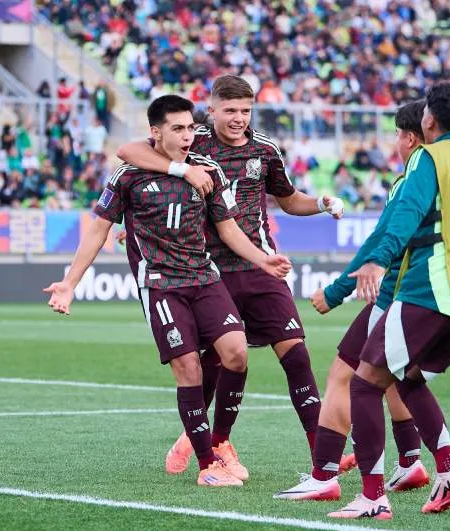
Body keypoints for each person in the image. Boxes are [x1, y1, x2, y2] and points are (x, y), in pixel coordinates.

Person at [44, 95, 292, 487]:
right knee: (189, 367)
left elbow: (228, 229)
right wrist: (70, 282)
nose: (187, 135)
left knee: (237, 353)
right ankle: (207, 466)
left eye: (191, 127)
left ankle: (220, 442)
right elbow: (98, 229)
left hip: (205, 278)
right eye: (177, 128)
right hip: (161, 285)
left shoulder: (208, 171)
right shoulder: (128, 176)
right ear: (156, 133)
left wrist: (263, 260)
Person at [116, 75, 345, 474]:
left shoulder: (265, 150)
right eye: (230, 111)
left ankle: (322, 455)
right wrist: (177, 175)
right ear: (212, 110)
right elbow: (131, 152)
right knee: (216, 362)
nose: (239, 118)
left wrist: (321, 204)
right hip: (208, 269)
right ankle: (202, 438)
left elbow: (289, 200)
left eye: (246, 111)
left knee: (296, 354)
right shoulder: (193, 140)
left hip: (258, 262)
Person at [328, 82, 450, 520]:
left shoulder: (430, 157)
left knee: (364, 384)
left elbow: (406, 214)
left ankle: (372, 498)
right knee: (408, 380)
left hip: (432, 289)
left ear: (429, 119)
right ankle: (448, 469)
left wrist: (378, 261)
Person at [274, 101, 429, 502]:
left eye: (398, 134)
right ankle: (411, 461)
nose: (396, 142)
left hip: (395, 294)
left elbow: (381, 241)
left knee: (343, 377)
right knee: (392, 377)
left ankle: (324, 474)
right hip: (422, 296)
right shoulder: (446, 176)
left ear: (411, 138)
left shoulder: (412, 181)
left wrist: (336, 291)